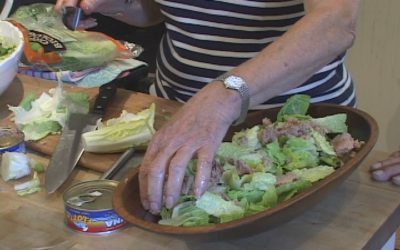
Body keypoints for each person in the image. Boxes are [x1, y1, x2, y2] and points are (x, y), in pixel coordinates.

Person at [55, 0, 361, 214]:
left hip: (292, 138)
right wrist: (119, 3)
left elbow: (336, 23)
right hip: (177, 117)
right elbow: (162, 11)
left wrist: (223, 99)